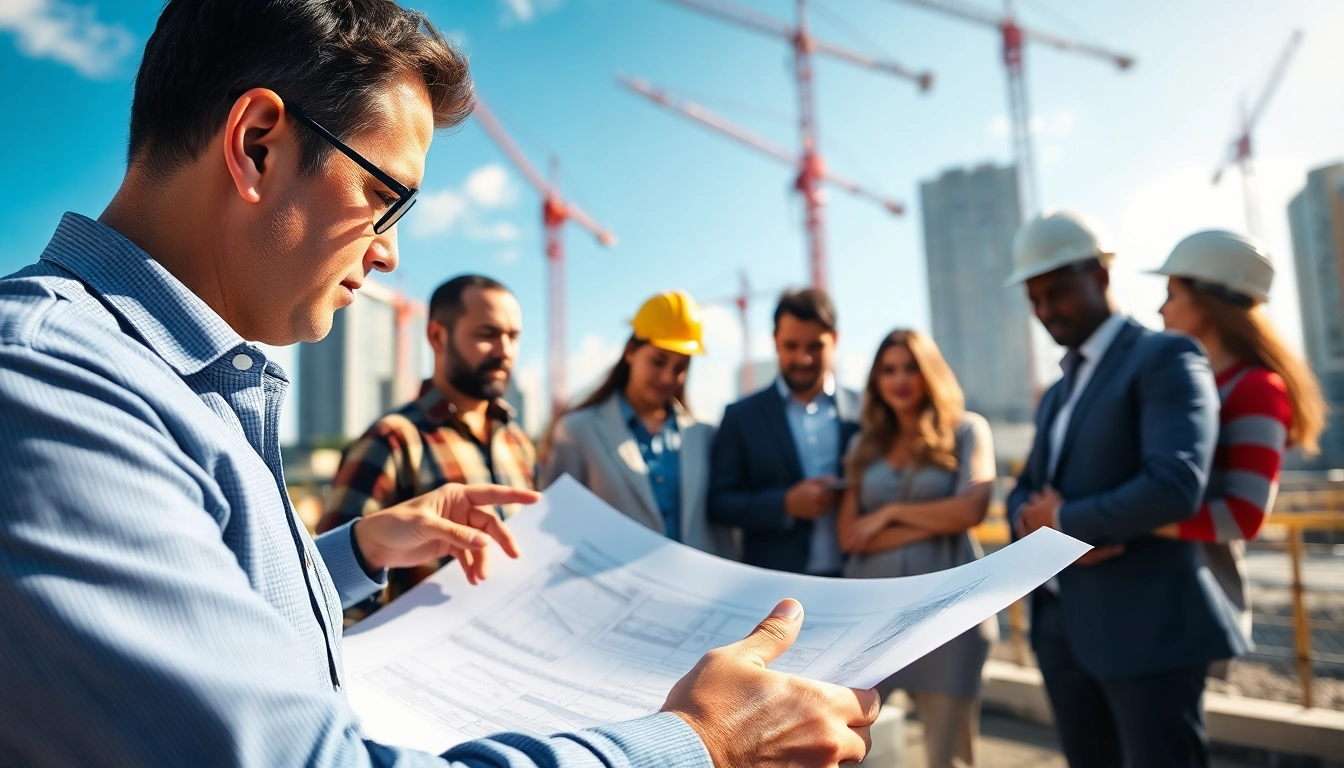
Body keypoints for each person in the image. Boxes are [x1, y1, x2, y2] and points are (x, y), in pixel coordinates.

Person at [0, 2, 880, 766]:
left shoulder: (174, 385)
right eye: (385, 197)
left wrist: (354, 552)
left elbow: (217, 610)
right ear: (257, 145)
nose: (388, 251)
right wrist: (699, 745)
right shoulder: (51, 390)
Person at [1005, 209, 1245, 768]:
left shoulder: (1167, 356)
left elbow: (1177, 482)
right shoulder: (1061, 389)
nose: (1045, 310)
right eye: (1034, 298)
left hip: (1146, 632)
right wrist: (1031, 518)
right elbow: (1025, 490)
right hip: (1062, 632)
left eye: (1058, 292)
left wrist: (1068, 526)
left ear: (1102, 276)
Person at [1148, 230, 1327, 646]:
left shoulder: (1255, 388)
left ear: (1207, 302)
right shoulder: (1202, 384)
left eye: (1171, 294)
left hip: (1196, 607)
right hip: (1166, 601)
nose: (1161, 309)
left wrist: (1121, 520)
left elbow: (1242, 516)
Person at [319, 275, 537, 604]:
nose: (505, 351)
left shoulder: (518, 442)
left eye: (513, 336)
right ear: (437, 336)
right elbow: (329, 584)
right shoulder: (390, 441)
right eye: (487, 334)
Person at [836, 330, 998, 768]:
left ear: (930, 373)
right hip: (870, 620)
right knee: (851, 751)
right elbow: (849, 534)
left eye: (911, 368)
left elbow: (971, 509)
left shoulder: (967, 429)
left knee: (950, 757)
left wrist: (889, 515)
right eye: (888, 370)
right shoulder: (862, 445)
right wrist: (932, 520)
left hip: (947, 616)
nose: (900, 379)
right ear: (876, 382)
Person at [541, 291, 737, 559]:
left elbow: (720, 532)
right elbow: (557, 526)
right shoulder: (577, 430)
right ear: (630, 352)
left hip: (696, 593)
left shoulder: (704, 434)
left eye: (680, 367)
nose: (668, 377)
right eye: (658, 361)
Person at [709, 288, 862, 575]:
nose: (802, 358)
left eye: (815, 346)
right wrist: (785, 504)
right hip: (776, 585)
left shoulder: (865, 409)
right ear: (775, 342)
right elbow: (718, 504)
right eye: (791, 346)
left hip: (860, 577)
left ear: (835, 340)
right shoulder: (741, 417)